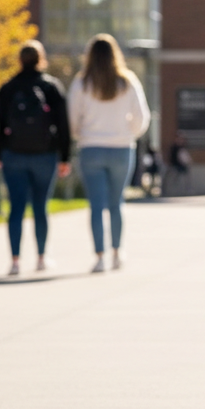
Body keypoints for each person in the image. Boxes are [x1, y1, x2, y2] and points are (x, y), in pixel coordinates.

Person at [68, 34, 150, 272]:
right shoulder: (128, 81)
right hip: (122, 149)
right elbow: (142, 118)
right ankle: (117, 252)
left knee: (96, 205)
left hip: (91, 148)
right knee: (116, 203)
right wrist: (128, 133)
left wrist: (80, 135)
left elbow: (73, 118)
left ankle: (100, 256)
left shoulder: (82, 83)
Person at [0, 40, 71, 275]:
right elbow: (63, 125)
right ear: (41, 59)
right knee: (40, 207)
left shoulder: (7, 88)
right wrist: (64, 157)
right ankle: (41, 257)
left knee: (16, 207)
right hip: (44, 155)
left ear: (20, 60)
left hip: (13, 154)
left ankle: (15, 261)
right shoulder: (51, 87)